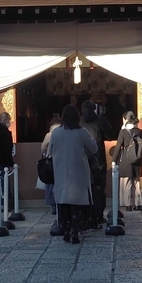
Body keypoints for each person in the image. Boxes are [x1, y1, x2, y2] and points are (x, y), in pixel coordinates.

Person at [50, 103, 97, 243]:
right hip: (78, 172)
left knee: (63, 204)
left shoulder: (56, 133)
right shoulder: (82, 132)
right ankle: (76, 231)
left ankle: (66, 230)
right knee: (77, 205)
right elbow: (94, 148)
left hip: (60, 172)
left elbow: (49, 151)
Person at [80, 101, 107, 225]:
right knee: (98, 189)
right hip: (97, 159)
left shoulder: (78, 123)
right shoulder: (99, 121)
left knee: (89, 188)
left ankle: (89, 215)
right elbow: (110, 133)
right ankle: (97, 215)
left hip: (85, 160)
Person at [115, 110, 142, 211]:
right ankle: (140, 203)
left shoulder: (123, 132)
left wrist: (114, 160)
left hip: (126, 159)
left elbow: (118, 146)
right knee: (137, 182)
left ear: (125, 119)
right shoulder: (140, 131)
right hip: (137, 159)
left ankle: (128, 204)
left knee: (127, 182)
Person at [40, 113, 62, 215]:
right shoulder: (63, 132)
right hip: (62, 161)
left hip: (51, 161)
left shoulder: (49, 135)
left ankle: (53, 205)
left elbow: (43, 148)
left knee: (50, 184)